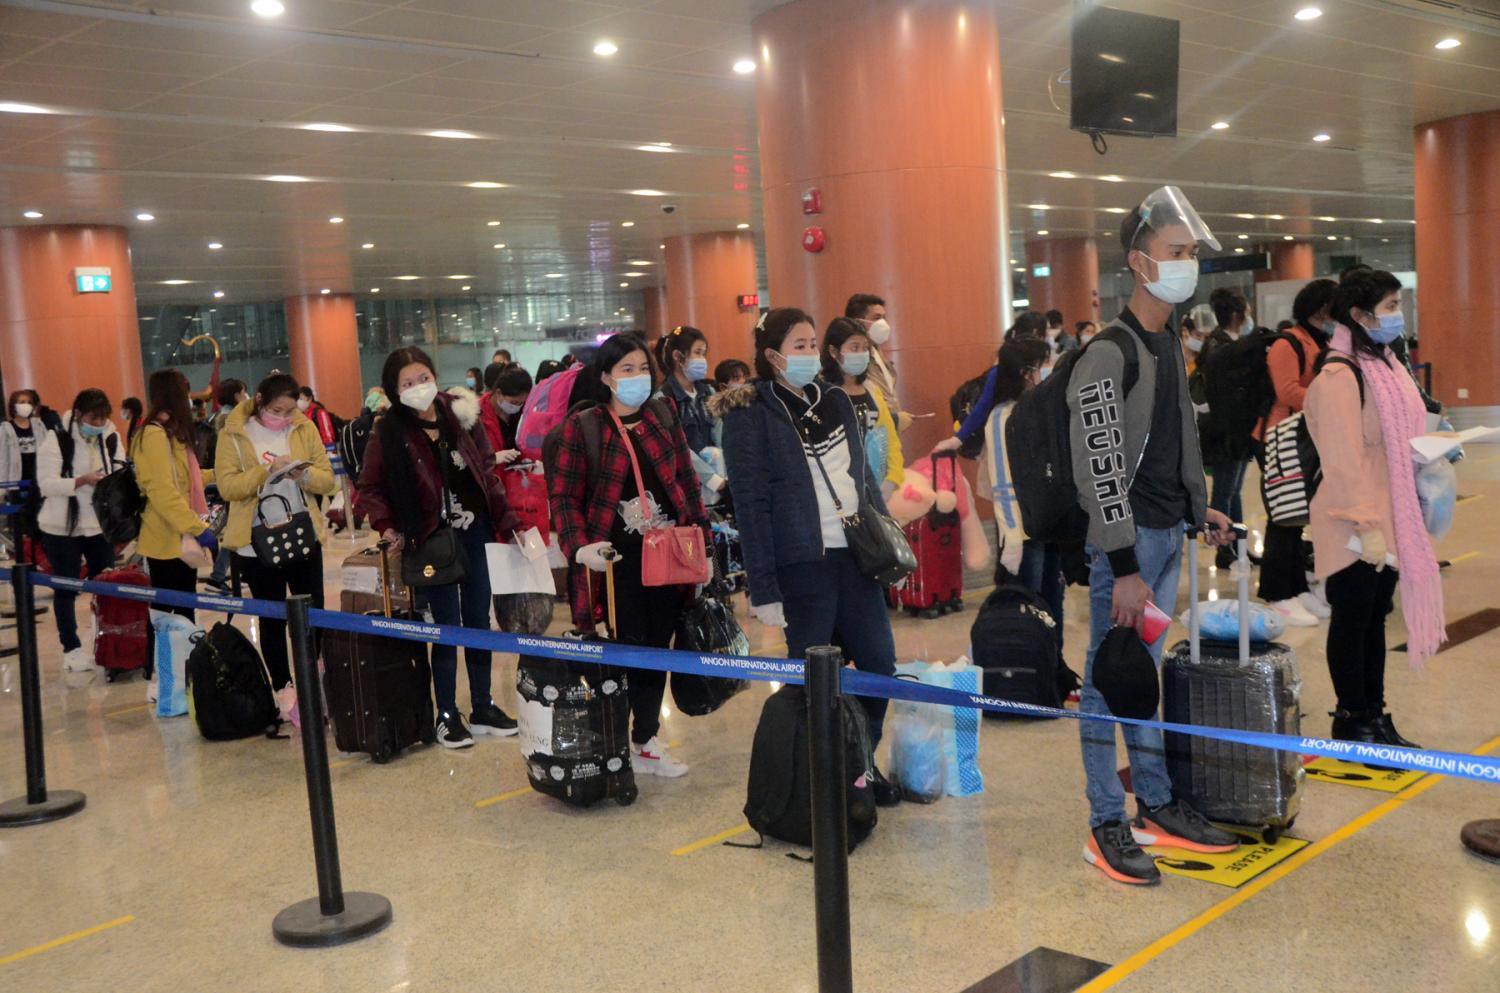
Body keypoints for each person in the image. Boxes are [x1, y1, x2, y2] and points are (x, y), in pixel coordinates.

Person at [1068, 188, 1240, 885]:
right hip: (1129, 547)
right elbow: (1100, 469)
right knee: (1106, 682)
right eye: (1175, 251)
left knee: (1141, 678)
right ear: (1139, 262)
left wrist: (1200, 508)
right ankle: (1106, 819)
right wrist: (1123, 564)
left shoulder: (1168, 343)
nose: (1186, 263)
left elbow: (1176, 440)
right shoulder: (1108, 354)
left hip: (1167, 536)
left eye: (1191, 251)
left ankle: (1157, 802)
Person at [714, 308, 902, 806]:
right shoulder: (750, 412)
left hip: (856, 558)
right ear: (772, 354)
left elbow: (863, 480)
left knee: (879, 664)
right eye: (799, 345)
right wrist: (763, 587)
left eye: (813, 343)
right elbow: (750, 505)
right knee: (811, 680)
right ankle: (816, 781)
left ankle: (860, 765)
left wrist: (891, 545)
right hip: (803, 564)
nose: (810, 353)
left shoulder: (834, 398)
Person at [549, 333, 709, 778]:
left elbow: (686, 481)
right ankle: (612, 741)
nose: (638, 377)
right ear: (605, 377)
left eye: (643, 368)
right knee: (622, 652)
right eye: (626, 370)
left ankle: (646, 738)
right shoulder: (585, 428)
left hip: (668, 556)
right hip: (614, 563)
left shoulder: (662, 415)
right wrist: (579, 547)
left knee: (658, 649)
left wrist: (704, 546)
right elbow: (564, 497)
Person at [1305, 267, 1444, 748]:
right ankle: (1351, 717)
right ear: (1360, 315)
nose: (1397, 315)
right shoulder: (1339, 377)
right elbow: (1342, 460)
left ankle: (1375, 715)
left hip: (1389, 511)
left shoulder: (1384, 366)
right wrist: (1366, 526)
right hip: (1352, 518)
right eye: (1390, 307)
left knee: (1374, 617)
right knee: (1353, 617)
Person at [358, 346, 522, 749]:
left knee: (478, 620)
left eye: (423, 378)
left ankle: (482, 705)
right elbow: (370, 487)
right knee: (446, 626)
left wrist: (510, 523)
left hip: (475, 530)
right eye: (407, 383)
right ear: (394, 390)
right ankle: (446, 713)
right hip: (430, 537)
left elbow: (486, 471)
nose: (418, 387)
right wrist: (388, 526)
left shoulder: (460, 415)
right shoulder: (389, 431)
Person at [214, 374, 339, 714]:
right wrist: (265, 471)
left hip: (302, 535)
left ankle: (314, 681)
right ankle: (284, 690)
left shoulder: (304, 427)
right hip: (256, 543)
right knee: (271, 619)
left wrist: (303, 475)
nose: (283, 418)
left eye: (288, 411)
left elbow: (327, 479)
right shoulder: (233, 433)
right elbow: (228, 487)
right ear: (259, 401)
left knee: (313, 614)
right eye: (276, 411)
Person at [1255, 279, 1338, 628]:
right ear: (1320, 308)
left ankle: (1297, 587)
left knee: (1298, 515)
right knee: (1283, 515)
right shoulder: (1287, 343)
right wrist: (1330, 400)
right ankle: (1276, 592)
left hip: (1306, 438)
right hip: (1281, 438)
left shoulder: (1323, 341)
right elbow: (1287, 390)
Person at [36, 389, 124, 670]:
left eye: (102, 419)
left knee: (107, 586)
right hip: (62, 527)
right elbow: (46, 484)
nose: (97, 424)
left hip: (99, 525)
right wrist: (81, 481)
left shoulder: (110, 437)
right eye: (92, 418)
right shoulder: (56, 439)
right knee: (66, 587)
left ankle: (111, 645)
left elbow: (121, 471)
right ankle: (71, 649)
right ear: (77, 414)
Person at [132, 369, 216, 665]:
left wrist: (223, 474)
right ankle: (164, 673)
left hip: (181, 535)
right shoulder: (153, 434)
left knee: (184, 611)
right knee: (168, 614)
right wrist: (197, 527)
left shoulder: (173, 433)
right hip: (165, 538)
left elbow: (187, 479)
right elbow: (162, 491)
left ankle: (185, 671)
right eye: (186, 392)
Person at [973, 340, 1061, 619]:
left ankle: (1054, 648)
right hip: (1022, 532)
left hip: (1048, 525)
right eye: (1042, 364)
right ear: (1025, 373)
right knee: (1027, 607)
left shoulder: (1039, 408)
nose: (1047, 370)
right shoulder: (1003, 417)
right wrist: (1012, 535)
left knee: (1052, 604)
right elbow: (1002, 482)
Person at [1199, 286, 1258, 568]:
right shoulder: (1219, 345)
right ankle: (1225, 548)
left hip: (1238, 430)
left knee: (1234, 490)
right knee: (1224, 490)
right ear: (1237, 314)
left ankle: (1239, 544)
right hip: (1223, 432)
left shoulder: (1232, 342)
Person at [820, 317, 904, 495]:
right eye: (854, 347)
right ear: (834, 351)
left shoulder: (872, 390)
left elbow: (890, 438)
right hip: (838, 490)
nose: (861, 353)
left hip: (877, 487)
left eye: (865, 348)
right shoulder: (823, 394)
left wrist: (892, 479)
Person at [658, 326, 731, 507]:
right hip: (686, 486)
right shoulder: (663, 399)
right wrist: (715, 481)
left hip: (719, 479)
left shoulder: (708, 392)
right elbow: (678, 447)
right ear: (678, 356)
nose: (702, 359)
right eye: (697, 353)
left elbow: (720, 433)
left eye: (704, 353)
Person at [844, 293, 902, 427]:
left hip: (890, 432)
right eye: (877, 318)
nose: (883, 324)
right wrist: (895, 419)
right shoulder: (855, 362)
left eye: (884, 318)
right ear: (858, 322)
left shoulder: (877, 352)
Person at [1, 390, 46, 552]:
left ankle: (40, 554)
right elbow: (3, 458)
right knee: (20, 521)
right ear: (13, 405)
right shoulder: (6, 428)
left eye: (28, 402)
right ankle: (23, 553)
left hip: (38, 480)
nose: (25, 405)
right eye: (21, 402)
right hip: (17, 481)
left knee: (39, 520)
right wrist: (3, 485)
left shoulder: (39, 425)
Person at [478, 363, 532, 460]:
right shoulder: (478, 416)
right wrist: (493, 459)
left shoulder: (522, 412)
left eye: (521, 403)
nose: (517, 406)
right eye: (514, 402)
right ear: (499, 393)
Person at [296, 386, 338, 451]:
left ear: (309, 399)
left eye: (301, 399)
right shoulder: (300, 415)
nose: (298, 402)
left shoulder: (319, 413)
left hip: (321, 451)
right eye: (297, 399)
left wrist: (330, 450)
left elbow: (327, 434)